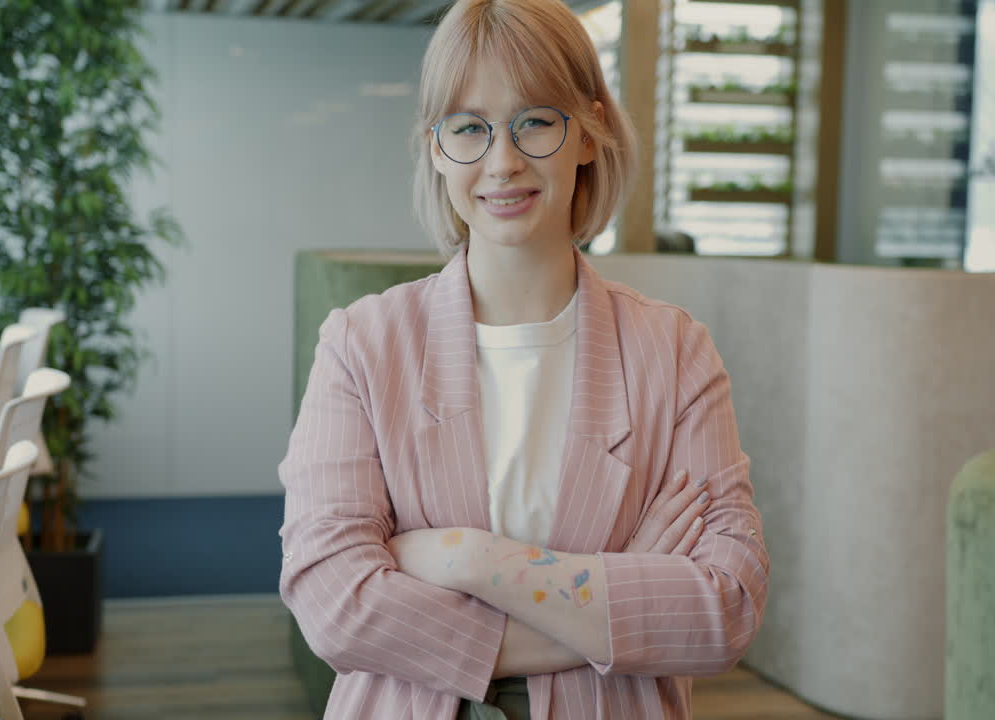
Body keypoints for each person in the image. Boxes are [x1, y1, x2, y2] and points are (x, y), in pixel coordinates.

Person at [277, 0, 769, 717]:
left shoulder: (675, 352)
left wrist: (464, 559)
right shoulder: (361, 344)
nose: (502, 162)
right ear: (437, 148)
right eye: (469, 128)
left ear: (590, 130)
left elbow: (726, 607)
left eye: (535, 121)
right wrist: (624, 594)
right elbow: (336, 606)